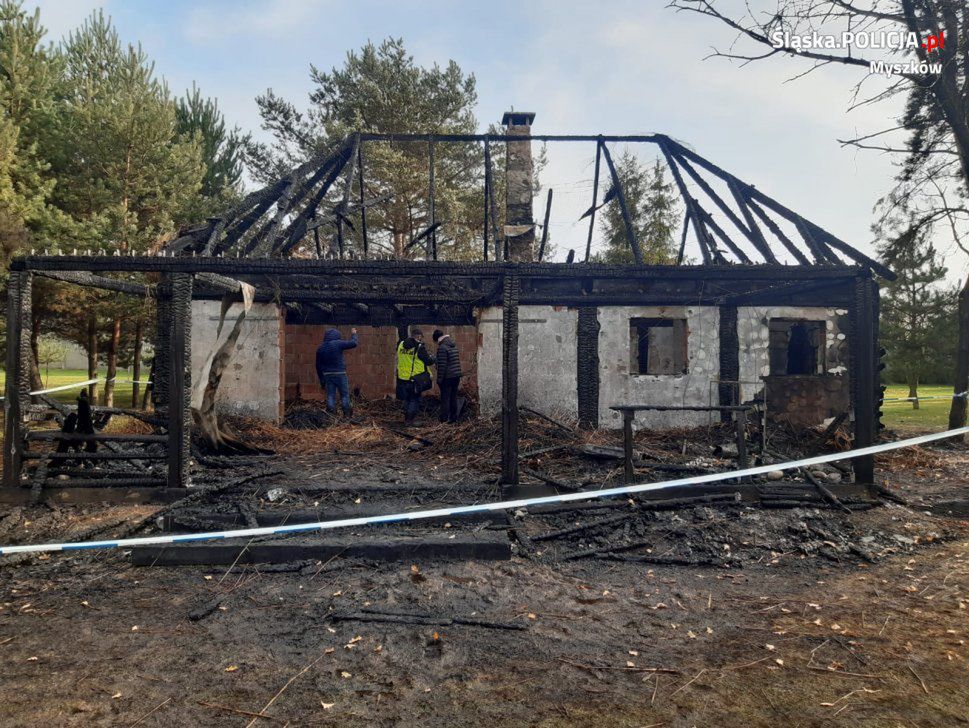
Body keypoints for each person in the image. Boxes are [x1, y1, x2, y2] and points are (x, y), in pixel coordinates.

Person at [395, 328, 435, 425]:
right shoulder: (419, 347)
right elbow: (428, 361)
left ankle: (406, 419)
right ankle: (410, 420)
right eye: (420, 338)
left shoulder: (400, 344)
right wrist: (434, 358)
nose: (421, 340)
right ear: (418, 337)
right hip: (414, 378)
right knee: (414, 399)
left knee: (407, 399)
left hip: (402, 378)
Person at [316, 327, 358, 417]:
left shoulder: (320, 348)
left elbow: (318, 366)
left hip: (327, 375)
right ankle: (346, 414)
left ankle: (331, 414)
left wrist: (322, 380)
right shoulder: (338, 343)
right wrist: (354, 333)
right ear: (336, 336)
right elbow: (354, 343)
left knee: (330, 395)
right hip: (340, 374)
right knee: (344, 395)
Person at [433, 329, 463, 423]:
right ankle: (453, 418)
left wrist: (439, 380)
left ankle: (444, 419)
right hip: (456, 376)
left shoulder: (442, 347)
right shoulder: (453, 345)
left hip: (447, 377)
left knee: (445, 398)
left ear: (438, 339)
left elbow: (442, 366)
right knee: (453, 397)